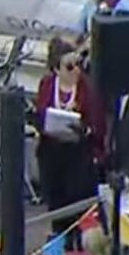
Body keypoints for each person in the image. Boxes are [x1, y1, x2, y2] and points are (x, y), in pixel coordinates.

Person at [34, 40, 106, 241]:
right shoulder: (47, 84)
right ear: (56, 69)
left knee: (79, 204)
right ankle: (60, 247)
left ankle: (81, 248)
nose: (75, 71)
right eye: (69, 66)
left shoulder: (88, 88)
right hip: (52, 152)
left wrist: (83, 127)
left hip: (78, 155)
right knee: (57, 204)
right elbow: (40, 113)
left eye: (77, 64)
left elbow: (98, 124)